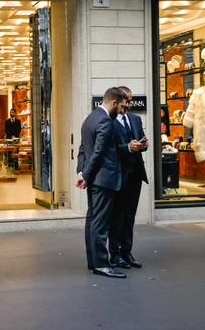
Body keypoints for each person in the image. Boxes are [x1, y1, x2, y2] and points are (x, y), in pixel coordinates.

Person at [76, 87, 127, 279]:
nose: (122, 110)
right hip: (104, 180)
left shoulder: (90, 118)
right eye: (121, 106)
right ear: (113, 103)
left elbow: (83, 149)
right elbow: (97, 153)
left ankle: (93, 261)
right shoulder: (105, 121)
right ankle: (101, 264)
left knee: (93, 220)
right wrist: (86, 176)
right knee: (100, 223)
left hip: (94, 178)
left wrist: (82, 172)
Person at [109, 86, 148, 269]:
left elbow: (139, 140)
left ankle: (127, 252)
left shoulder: (135, 119)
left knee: (130, 216)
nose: (129, 104)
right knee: (118, 215)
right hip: (118, 175)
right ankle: (114, 254)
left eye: (131, 100)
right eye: (127, 99)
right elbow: (109, 149)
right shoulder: (108, 120)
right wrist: (127, 147)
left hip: (135, 174)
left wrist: (143, 144)